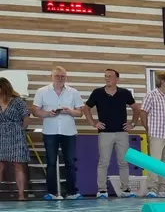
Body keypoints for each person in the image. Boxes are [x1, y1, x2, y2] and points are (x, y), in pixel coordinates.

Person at [84, 68, 140, 199]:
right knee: (104, 162)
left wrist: (133, 123)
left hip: (122, 133)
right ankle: (102, 190)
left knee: (124, 162)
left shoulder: (124, 93)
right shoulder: (97, 93)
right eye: (106, 76)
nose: (107, 78)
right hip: (105, 133)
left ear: (117, 79)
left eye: (110, 76)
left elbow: (136, 108)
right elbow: (86, 108)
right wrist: (93, 123)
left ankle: (125, 189)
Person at [30, 66, 83, 200]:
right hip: (50, 131)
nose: (60, 78)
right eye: (57, 76)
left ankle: (72, 192)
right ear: (51, 76)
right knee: (51, 162)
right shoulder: (42, 91)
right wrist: (47, 113)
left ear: (66, 77)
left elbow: (80, 112)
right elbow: (35, 110)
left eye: (62, 76)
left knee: (70, 162)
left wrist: (70, 111)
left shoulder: (74, 92)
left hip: (69, 132)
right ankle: (52, 193)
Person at [141, 72, 165, 198]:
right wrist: (148, 129)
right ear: (162, 81)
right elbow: (143, 113)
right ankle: (152, 188)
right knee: (155, 161)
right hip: (157, 133)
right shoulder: (151, 95)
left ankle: (163, 188)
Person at [0, 78, 32, 200]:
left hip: (16, 135)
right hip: (0, 136)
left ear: (5, 88)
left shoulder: (18, 102)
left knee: (17, 165)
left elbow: (27, 119)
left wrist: (20, 130)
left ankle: (21, 195)